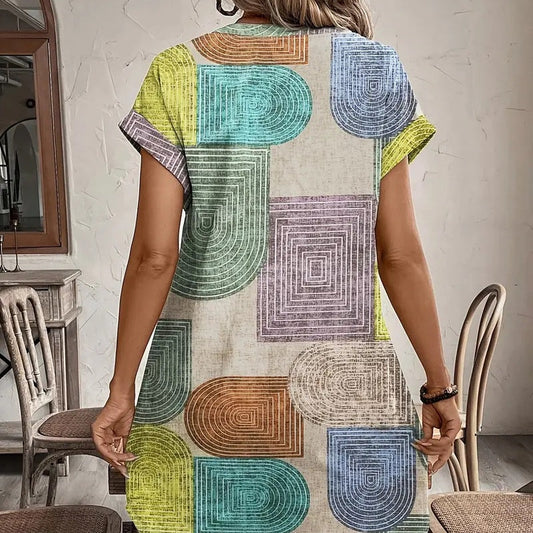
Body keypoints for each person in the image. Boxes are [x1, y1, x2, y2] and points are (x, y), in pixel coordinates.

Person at [91, 1, 462, 531]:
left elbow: (155, 257)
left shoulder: (178, 70)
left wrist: (121, 389)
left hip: (206, 391)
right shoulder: (374, 69)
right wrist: (439, 386)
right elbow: (399, 255)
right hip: (345, 395)